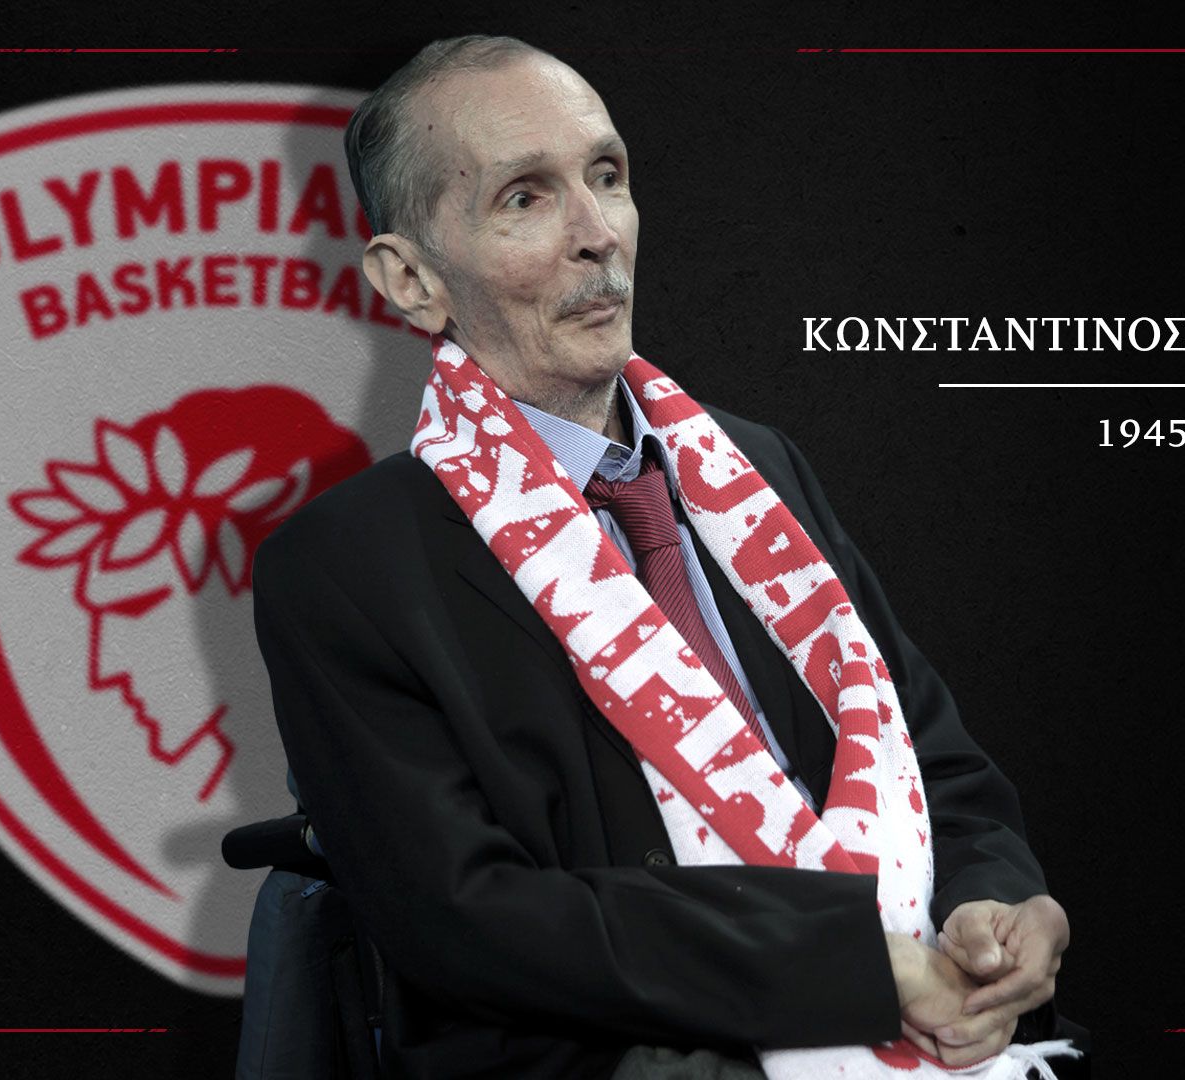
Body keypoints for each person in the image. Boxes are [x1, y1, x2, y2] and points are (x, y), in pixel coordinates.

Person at [251, 34, 1083, 1079]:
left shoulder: (760, 466)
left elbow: (936, 762)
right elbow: (468, 921)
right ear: (411, 279)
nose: (598, 234)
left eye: (607, 176)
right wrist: (848, 967)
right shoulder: (345, 568)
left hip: (916, 1013)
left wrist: (993, 904)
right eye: (525, 197)